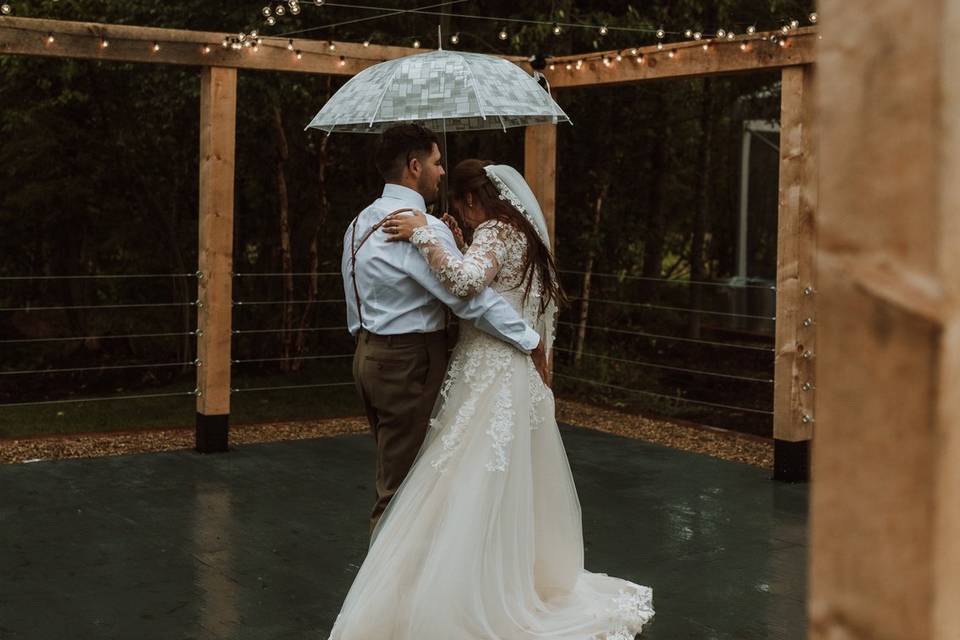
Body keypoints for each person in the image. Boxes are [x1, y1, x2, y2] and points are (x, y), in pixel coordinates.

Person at [328, 158, 654, 639]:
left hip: (481, 368)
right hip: (502, 372)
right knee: (497, 484)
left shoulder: (383, 224)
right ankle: (496, 579)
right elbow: (482, 281)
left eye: (458, 200)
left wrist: (423, 233)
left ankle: (418, 597)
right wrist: (459, 245)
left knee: (452, 484)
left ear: (470, 200)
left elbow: (464, 287)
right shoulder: (514, 232)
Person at [342, 124, 547, 534]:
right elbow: (469, 299)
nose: (441, 173)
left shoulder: (359, 222)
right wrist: (530, 339)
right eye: (437, 163)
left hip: (366, 357)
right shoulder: (419, 226)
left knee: (395, 472)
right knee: (403, 490)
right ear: (414, 167)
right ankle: (387, 594)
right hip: (409, 365)